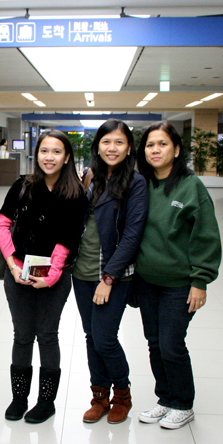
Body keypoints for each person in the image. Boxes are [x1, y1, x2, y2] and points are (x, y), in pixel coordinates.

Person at [0, 130, 87, 424]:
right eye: (45, 151)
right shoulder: (23, 185)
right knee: (22, 336)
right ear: (37, 154)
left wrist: (52, 275)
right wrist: (11, 265)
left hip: (53, 277)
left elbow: (69, 238)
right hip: (18, 270)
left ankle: (46, 402)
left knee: (47, 335)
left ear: (67, 157)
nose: (50, 157)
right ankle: (19, 398)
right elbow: (2, 222)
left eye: (57, 152)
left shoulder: (75, 194)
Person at [133, 122, 222, 429]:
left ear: (176, 149)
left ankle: (183, 403)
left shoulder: (190, 185)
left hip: (179, 283)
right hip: (146, 281)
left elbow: (206, 235)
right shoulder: (141, 183)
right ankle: (165, 398)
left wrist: (201, 281)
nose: (155, 150)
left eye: (162, 144)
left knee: (172, 344)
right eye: (149, 145)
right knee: (154, 342)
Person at [72, 120, 148, 424]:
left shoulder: (136, 182)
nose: (112, 148)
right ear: (98, 146)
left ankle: (122, 394)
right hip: (82, 272)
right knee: (92, 336)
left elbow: (132, 234)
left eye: (119, 142)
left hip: (112, 274)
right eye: (106, 142)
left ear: (129, 147)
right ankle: (99, 397)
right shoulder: (92, 177)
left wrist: (109, 278)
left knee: (105, 338)